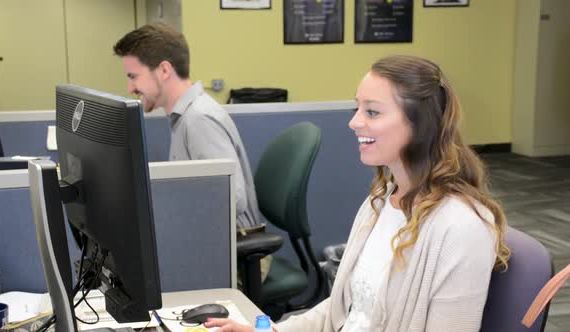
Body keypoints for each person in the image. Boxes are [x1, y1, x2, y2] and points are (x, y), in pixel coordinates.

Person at [204, 55, 511, 331]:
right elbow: (345, 310)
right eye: (357, 108)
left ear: (420, 125)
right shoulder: (379, 202)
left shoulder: (460, 228)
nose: (354, 122)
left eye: (373, 112)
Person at [113, 24, 270, 277]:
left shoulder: (198, 120)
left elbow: (233, 199)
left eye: (133, 76)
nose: (130, 88)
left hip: (234, 258)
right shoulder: (184, 116)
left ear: (164, 70)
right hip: (213, 246)